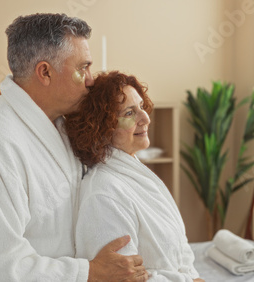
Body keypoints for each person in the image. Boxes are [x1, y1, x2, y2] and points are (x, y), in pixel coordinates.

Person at [0, 14, 147, 281]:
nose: (90, 79)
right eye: (83, 67)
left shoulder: (60, 124)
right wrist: (89, 272)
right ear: (45, 72)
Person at [65, 71, 204, 281]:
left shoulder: (136, 175)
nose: (146, 118)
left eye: (141, 107)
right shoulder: (104, 195)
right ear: (102, 128)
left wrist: (193, 277)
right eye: (129, 113)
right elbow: (127, 278)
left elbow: (179, 246)